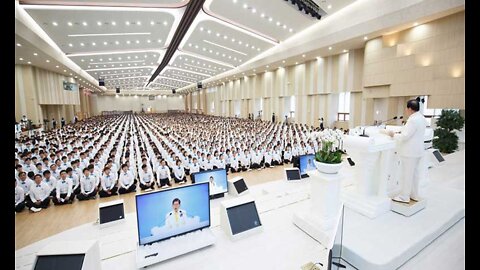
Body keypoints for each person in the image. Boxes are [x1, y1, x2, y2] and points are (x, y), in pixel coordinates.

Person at [386, 99, 427, 203]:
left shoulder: (412, 120)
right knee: (415, 174)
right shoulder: (421, 118)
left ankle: (404, 197)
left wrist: (393, 135)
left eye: (406, 108)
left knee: (407, 175)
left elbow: (405, 136)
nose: (405, 110)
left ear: (410, 109)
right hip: (418, 151)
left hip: (409, 152)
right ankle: (414, 194)